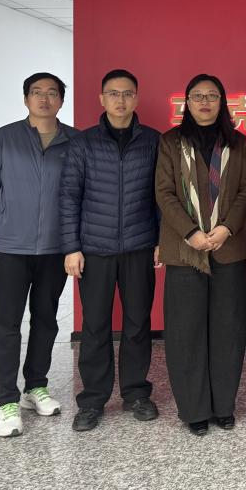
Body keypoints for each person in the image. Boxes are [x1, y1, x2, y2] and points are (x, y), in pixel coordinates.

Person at [0, 72, 77, 437]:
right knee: (5, 324)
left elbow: (80, 192)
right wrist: (7, 222)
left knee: (46, 319)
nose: (44, 99)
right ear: (26, 99)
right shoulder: (4, 138)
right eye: (37, 92)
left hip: (55, 248)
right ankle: (6, 400)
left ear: (61, 100)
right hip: (11, 248)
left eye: (52, 93)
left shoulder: (75, 141)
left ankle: (36, 386)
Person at [60, 69, 161, 432]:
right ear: (101, 99)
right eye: (113, 94)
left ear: (137, 98)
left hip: (139, 246)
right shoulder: (83, 143)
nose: (120, 100)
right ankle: (92, 400)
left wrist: (161, 239)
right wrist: (71, 247)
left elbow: (162, 195)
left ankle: (136, 393)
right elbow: (69, 197)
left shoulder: (153, 141)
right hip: (95, 249)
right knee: (95, 326)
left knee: (137, 324)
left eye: (127, 93)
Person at [155, 74, 246, 436]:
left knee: (229, 330)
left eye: (212, 96)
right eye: (198, 96)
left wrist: (226, 228)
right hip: (185, 250)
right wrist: (191, 233)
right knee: (186, 332)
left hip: (228, 247)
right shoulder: (171, 141)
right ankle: (194, 409)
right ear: (187, 102)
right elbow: (164, 193)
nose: (205, 102)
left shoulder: (237, 142)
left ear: (222, 102)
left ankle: (223, 406)